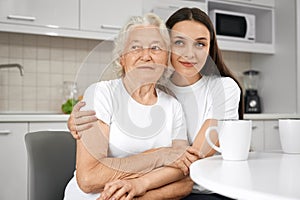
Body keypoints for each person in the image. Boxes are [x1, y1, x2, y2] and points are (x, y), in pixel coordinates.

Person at [68, 7, 242, 200]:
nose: (190, 53)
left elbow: (189, 167)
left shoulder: (182, 101)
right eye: (179, 42)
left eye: (200, 44)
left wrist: (138, 186)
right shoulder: (109, 91)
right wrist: (159, 155)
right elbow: (89, 178)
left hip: (194, 189)